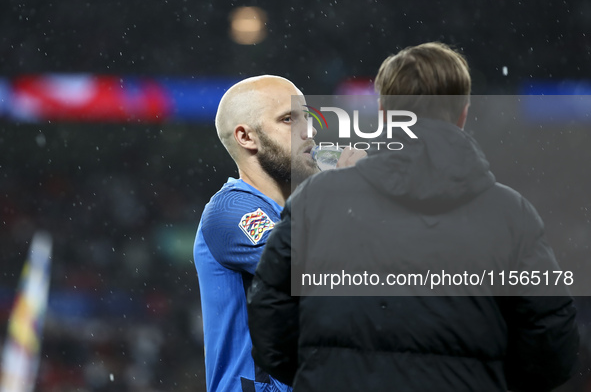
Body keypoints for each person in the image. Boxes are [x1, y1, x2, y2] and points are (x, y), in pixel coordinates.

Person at [246, 43, 579, 391]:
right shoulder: (511, 214)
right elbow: (553, 345)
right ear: (463, 114)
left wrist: (326, 370)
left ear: (384, 112)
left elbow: (269, 321)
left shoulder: (317, 199)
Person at [193, 75, 365, 392]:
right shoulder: (231, 211)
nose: (309, 131)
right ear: (246, 137)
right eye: (288, 119)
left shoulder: (304, 210)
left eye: (308, 118)